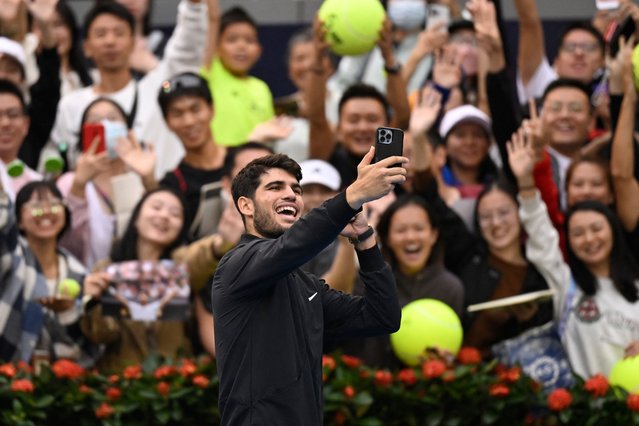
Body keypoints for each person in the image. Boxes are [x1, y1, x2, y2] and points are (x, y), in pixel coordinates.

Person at [212, 152, 406, 424]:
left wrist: (365, 241)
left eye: (296, 189)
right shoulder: (236, 264)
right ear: (246, 206)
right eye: (275, 187)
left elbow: (382, 317)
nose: (291, 194)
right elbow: (294, 245)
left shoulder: (305, 284)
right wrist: (352, 197)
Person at [509, 130, 639, 379]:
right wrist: (525, 180)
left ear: (613, 232)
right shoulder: (566, 284)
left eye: (597, 229)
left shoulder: (636, 285)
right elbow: (540, 232)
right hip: (584, 411)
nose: (589, 239)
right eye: (578, 233)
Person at [49, 0, 210, 178]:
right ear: (86, 47)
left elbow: (188, 48)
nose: (110, 41)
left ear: (134, 42)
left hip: (158, 198)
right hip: (95, 202)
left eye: (119, 33)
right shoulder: (71, 104)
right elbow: (62, 159)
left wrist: (194, 5)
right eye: (101, 34)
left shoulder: (156, 88)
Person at [0, 177, 96, 365]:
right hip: (7, 376)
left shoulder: (78, 274)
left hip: (61, 382)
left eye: (54, 205)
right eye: (35, 206)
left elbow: (87, 345)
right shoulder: (11, 257)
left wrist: (69, 311)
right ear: (18, 220)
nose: (45, 212)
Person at [56, 97, 155, 269]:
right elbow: (64, 244)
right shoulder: (70, 182)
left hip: (137, 284)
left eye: (112, 118)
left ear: (127, 128)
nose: (105, 125)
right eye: (95, 121)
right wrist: (78, 187)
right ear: (83, 133)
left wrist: (148, 181)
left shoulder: (139, 177)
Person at [158, 72, 226, 241]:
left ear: (211, 109)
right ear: (167, 122)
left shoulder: (242, 160)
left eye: (195, 109)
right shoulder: (172, 183)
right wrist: (147, 180)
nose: (188, 121)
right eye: (177, 114)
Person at [202, 6, 275, 147]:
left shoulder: (262, 88)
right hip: (217, 166)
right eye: (232, 39)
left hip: (253, 166)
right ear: (216, 47)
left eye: (249, 40)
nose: (241, 46)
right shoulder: (210, 72)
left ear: (259, 50)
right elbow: (212, 20)